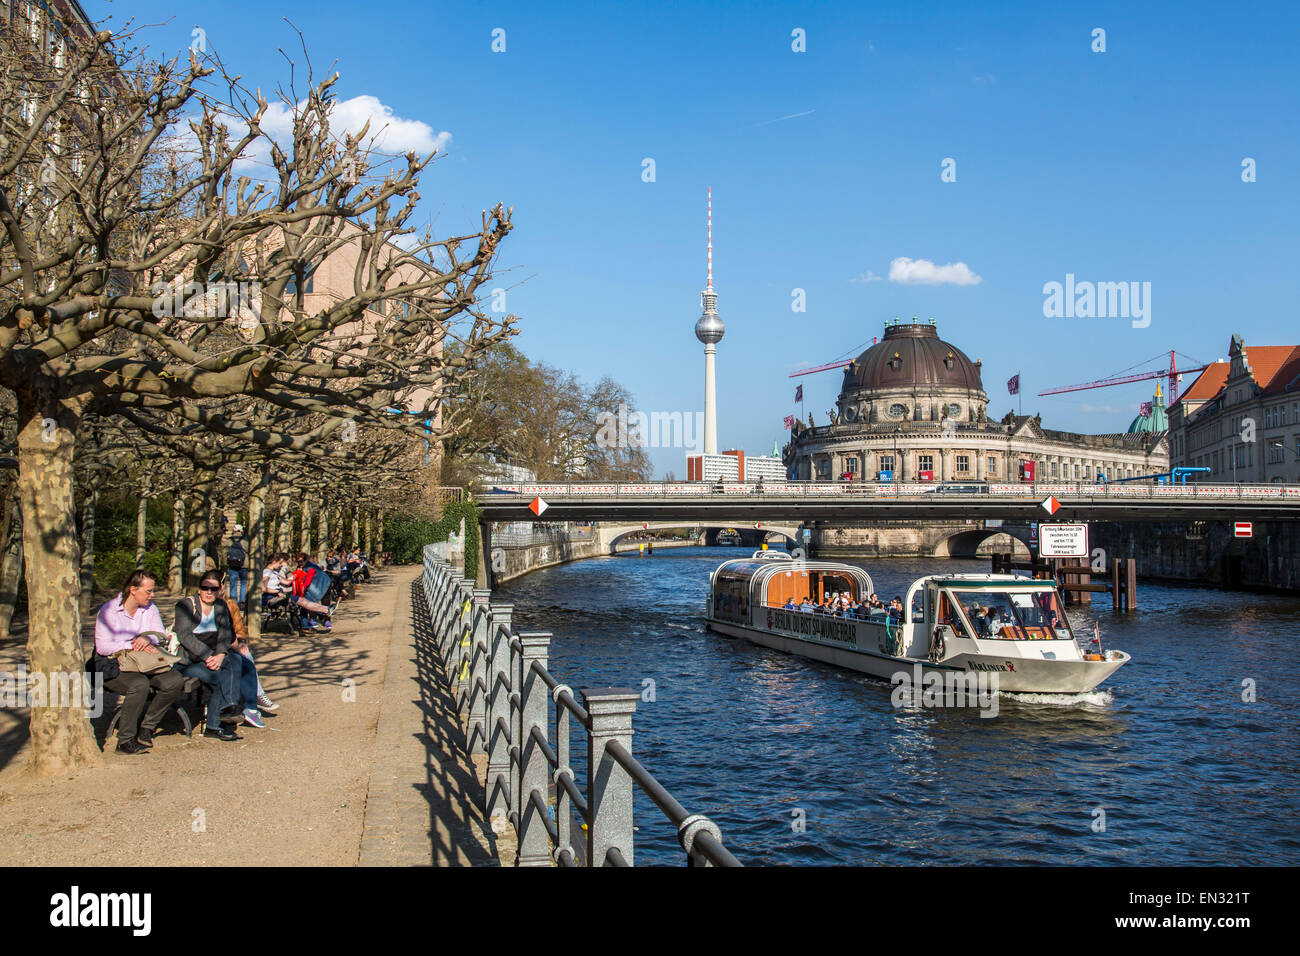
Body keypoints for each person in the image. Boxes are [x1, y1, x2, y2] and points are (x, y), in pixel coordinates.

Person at [93, 570, 185, 755]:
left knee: (174, 681)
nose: (152, 595)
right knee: (139, 684)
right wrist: (132, 645)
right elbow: (102, 647)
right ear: (133, 589)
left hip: (145, 661)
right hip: (116, 664)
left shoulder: (150, 608)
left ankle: (147, 727)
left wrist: (148, 639)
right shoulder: (109, 611)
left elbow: (159, 634)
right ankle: (125, 740)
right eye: (148, 591)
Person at [173, 571, 246, 741]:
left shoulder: (220, 606)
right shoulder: (185, 605)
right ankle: (217, 722)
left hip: (214, 654)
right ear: (198, 589)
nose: (208, 592)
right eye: (205, 588)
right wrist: (208, 657)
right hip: (189, 660)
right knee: (218, 675)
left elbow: (225, 634)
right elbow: (185, 636)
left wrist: (220, 655)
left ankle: (229, 709)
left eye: (213, 588)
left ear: (219, 589)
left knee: (235, 660)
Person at [220, 574, 276, 724]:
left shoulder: (230, 604)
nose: (211, 591)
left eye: (216, 587)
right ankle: (257, 698)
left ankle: (251, 706)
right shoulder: (196, 606)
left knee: (246, 657)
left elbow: (240, 629)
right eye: (206, 588)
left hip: (231, 646)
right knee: (243, 659)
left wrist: (240, 640)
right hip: (218, 650)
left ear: (222, 587)